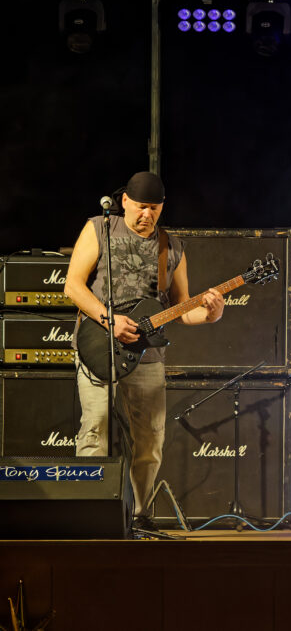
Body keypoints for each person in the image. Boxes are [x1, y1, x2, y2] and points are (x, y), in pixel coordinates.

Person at [64, 171, 225, 530]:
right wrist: (109, 320)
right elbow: (72, 286)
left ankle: (139, 514)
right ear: (124, 202)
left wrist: (211, 314)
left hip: (148, 355)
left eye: (154, 208)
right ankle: (88, 514)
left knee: (151, 437)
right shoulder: (99, 228)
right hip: (98, 343)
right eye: (140, 207)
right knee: (95, 427)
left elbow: (183, 308)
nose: (146, 214)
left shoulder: (172, 246)